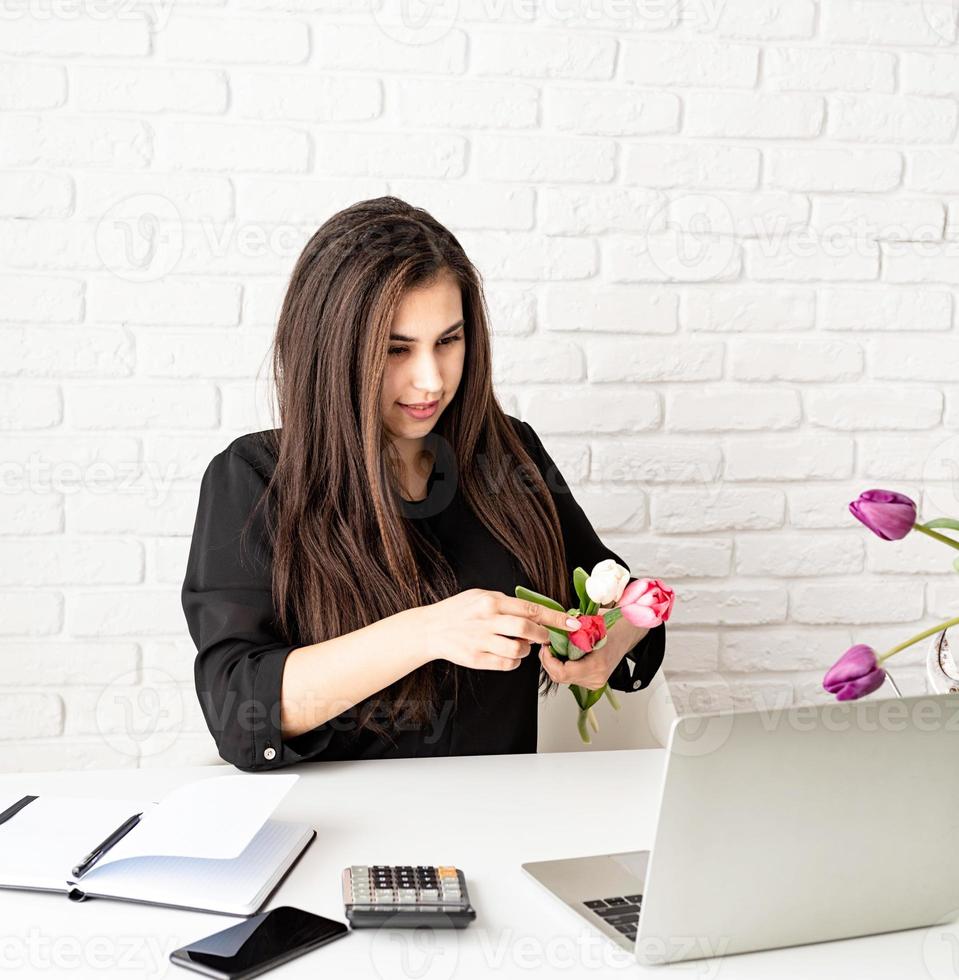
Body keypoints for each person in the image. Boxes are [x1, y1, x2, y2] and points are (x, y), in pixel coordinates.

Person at [181, 196, 667, 772]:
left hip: (498, 820)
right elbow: (240, 710)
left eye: (449, 340)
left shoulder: (506, 455)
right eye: (396, 350)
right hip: (331, 830)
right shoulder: (256, 478)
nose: (431, 379)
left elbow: (623, 595)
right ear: (334, 352)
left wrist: (615, 639)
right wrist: (427, 632)